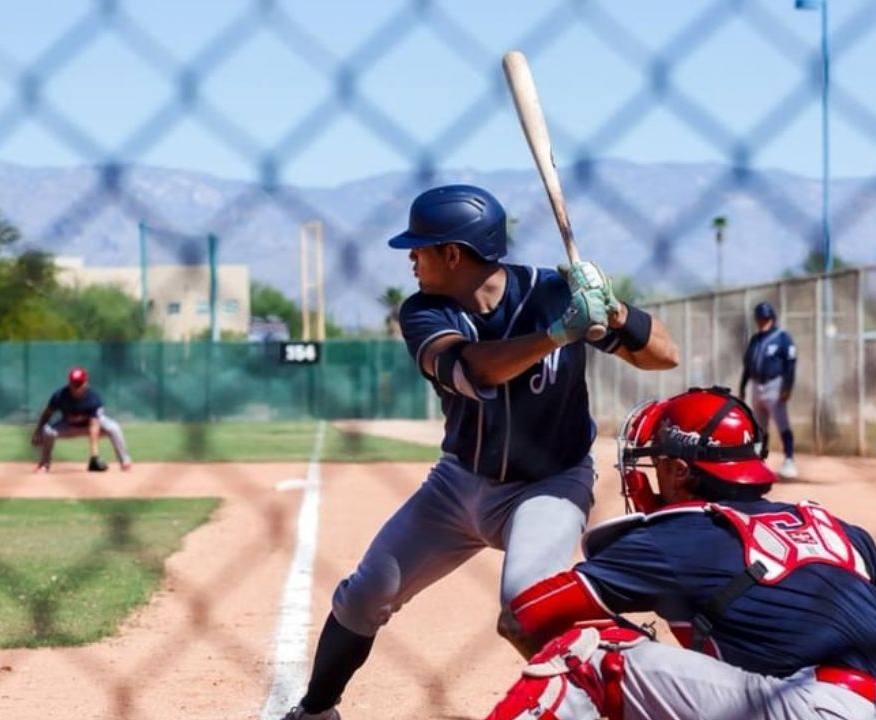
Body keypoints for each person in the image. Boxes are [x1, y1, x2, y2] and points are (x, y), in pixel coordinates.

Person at [280, 184, 680, 720]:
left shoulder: (551, 292)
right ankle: (314, 712)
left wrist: (615, 309)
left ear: (453, 253)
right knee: (364, 592)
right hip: (457, 486)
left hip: (551, 483)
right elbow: (475, 368)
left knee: (527, 604)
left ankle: (638, 688)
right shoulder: (424, 313)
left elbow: (664, 357)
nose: (411, 261)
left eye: (419, 250)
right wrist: (560, 333)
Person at [484, 386, 876, 720]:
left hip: (815, 708)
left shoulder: (679, 534)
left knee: (583, 652)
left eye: (656, 464)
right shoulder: (838, 529)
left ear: (678, 471)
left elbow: (523, 616)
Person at [30, 366, 133, 473]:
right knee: (47, 431)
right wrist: (38, 430)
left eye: (79, 383)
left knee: (114, 427)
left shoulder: (93, 398)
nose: (76, 387)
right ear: (69, 383)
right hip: (69, 426)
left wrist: (94, 456)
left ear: (86, 383)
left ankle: (125, 461)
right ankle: (44, 464)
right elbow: (47, 413)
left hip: (93, 426)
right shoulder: (59, 396)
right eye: (74, 383)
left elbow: (94, 426)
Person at [739, 301, 798, 478]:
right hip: (757, 385)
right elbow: (748, 366)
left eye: (765, 318)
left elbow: (790, 364)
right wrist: (742, 387)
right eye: (759, 318)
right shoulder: (755, 340)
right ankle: (759, 461)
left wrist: (787, 387)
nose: (761, 322)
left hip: (775, 385)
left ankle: (789, 460)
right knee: (759, 427)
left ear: (771, 318)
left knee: (782, 423)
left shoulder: (782, 337)